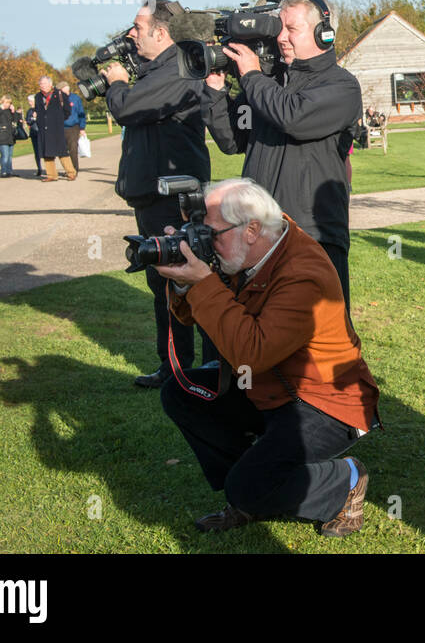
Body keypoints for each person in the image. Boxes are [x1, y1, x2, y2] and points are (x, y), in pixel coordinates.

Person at [157, 178, 379, 536]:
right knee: (180, 394)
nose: (206, 243)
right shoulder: (251, 248)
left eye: (211, 234)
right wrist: (186, 281)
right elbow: (192, 315)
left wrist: (203, 283)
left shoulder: (304, 273)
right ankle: (253, 485)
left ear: (252, 229)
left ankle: (344, 479)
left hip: (325, 402)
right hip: (269, 386)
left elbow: (252, 352)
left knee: (248, 487)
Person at [201, 0, 362, 310]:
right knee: (257, 332)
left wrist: (250, 75)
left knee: (318, 336)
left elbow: (293, 118)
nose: (282, 37)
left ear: (323, 33)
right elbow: (232, 140)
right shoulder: (269, 85)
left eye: (293, 28)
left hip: (311, 236)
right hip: (260, 233)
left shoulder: (342, 86)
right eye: (279, 28)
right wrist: (216, 92)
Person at [103, 0, 214, 388]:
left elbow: (128, 108)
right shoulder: (159, 72)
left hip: (173, 195)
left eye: (137, 27)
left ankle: (196, 368)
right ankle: (177, 368)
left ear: (161, 33)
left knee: (179, 281)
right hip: (156, 194)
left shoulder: (176, 71)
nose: (131, 34)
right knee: (167, 284)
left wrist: (117, 82)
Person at [33, 77, 76, 182]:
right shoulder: (38, 96)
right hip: (44, 128)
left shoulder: (60, 94)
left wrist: (59, 120)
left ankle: (71, 173)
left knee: (62, 151)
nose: (42, 85)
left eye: (44, 83)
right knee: (47, 152)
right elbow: (37, 110)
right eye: (41, 84)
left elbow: (67, 110)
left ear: (50, 84)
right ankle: (51, 175)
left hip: (56, 127)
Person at [57, 82, 87, 176]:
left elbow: (81, 113)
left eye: (66, 87)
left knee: (73, 149)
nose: (65, 89)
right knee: (63, 150)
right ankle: (68, 169)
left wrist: (82, 127)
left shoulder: (75, 98)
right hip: (60, 127)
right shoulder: (57, 99)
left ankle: (74, 169)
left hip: (73, 127)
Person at [0, 96, 23, 178]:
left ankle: (9, 171)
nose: (8, 104)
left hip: (10, 135)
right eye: (6, 102)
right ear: (2, 102)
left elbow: (16, 120)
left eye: (9, 103)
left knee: (9, 155)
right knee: (4, 155)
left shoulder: (9, 111)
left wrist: (13, 112)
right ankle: (4, 171)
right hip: (1, 135)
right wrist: (0, 109)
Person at [25, 95, 42, 177]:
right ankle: (39, 168)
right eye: (29, 101)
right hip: (33, 133)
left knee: (43, 150)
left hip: (41, 132)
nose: (29, 103)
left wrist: (36, 118)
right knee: (36, 151)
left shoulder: (40, 109)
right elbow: (28, 121)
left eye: (31, 101)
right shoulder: (29, 111)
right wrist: (33, 118)